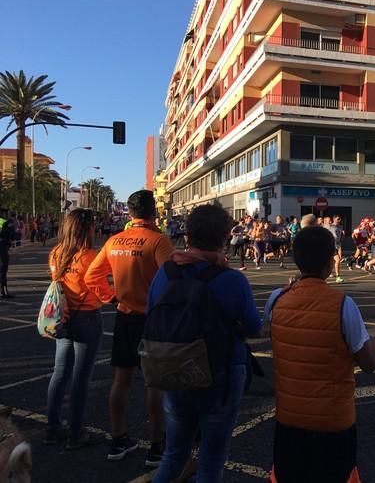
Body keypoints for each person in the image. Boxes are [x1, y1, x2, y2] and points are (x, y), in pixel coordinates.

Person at [150, 205, 261, 482]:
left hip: (173, 366)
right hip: (220, 373)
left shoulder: (166, 273)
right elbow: (254, 327)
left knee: (174, 453)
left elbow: (151, 312)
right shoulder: (232, 280)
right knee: (211, 460)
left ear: (187, 236)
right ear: (224, 237)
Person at [265, 226, 375, 483]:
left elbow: (270, 334)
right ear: (330, 263)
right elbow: (369, 363)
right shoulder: (343, 304)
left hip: (289, 418)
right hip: (332, 422)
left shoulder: (275, 300)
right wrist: (371, 341)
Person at [85, 190, 175, 465]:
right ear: (153, 212)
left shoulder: (114, 241)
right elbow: (171, 281)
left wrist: (110, 296)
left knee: (121, 380)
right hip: (151, 320)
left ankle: (118, 439)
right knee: (154, 383)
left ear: (131, 213)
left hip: (124, 317)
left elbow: (92, 276)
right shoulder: (158, 241)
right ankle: (157, 446)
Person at [45, 209, 104, 449]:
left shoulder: (56, 253)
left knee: (60, 372)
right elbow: (100, 288)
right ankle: (76, 432)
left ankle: (53, 427)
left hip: (63, 316)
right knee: (81, 376)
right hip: (87, 316)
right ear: (87, 229)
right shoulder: (91, 257)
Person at [0, 211, 17, 298]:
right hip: (2, 247)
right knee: (3, 270)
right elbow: (11, 234)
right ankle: (4, 291)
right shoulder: (6, 223)